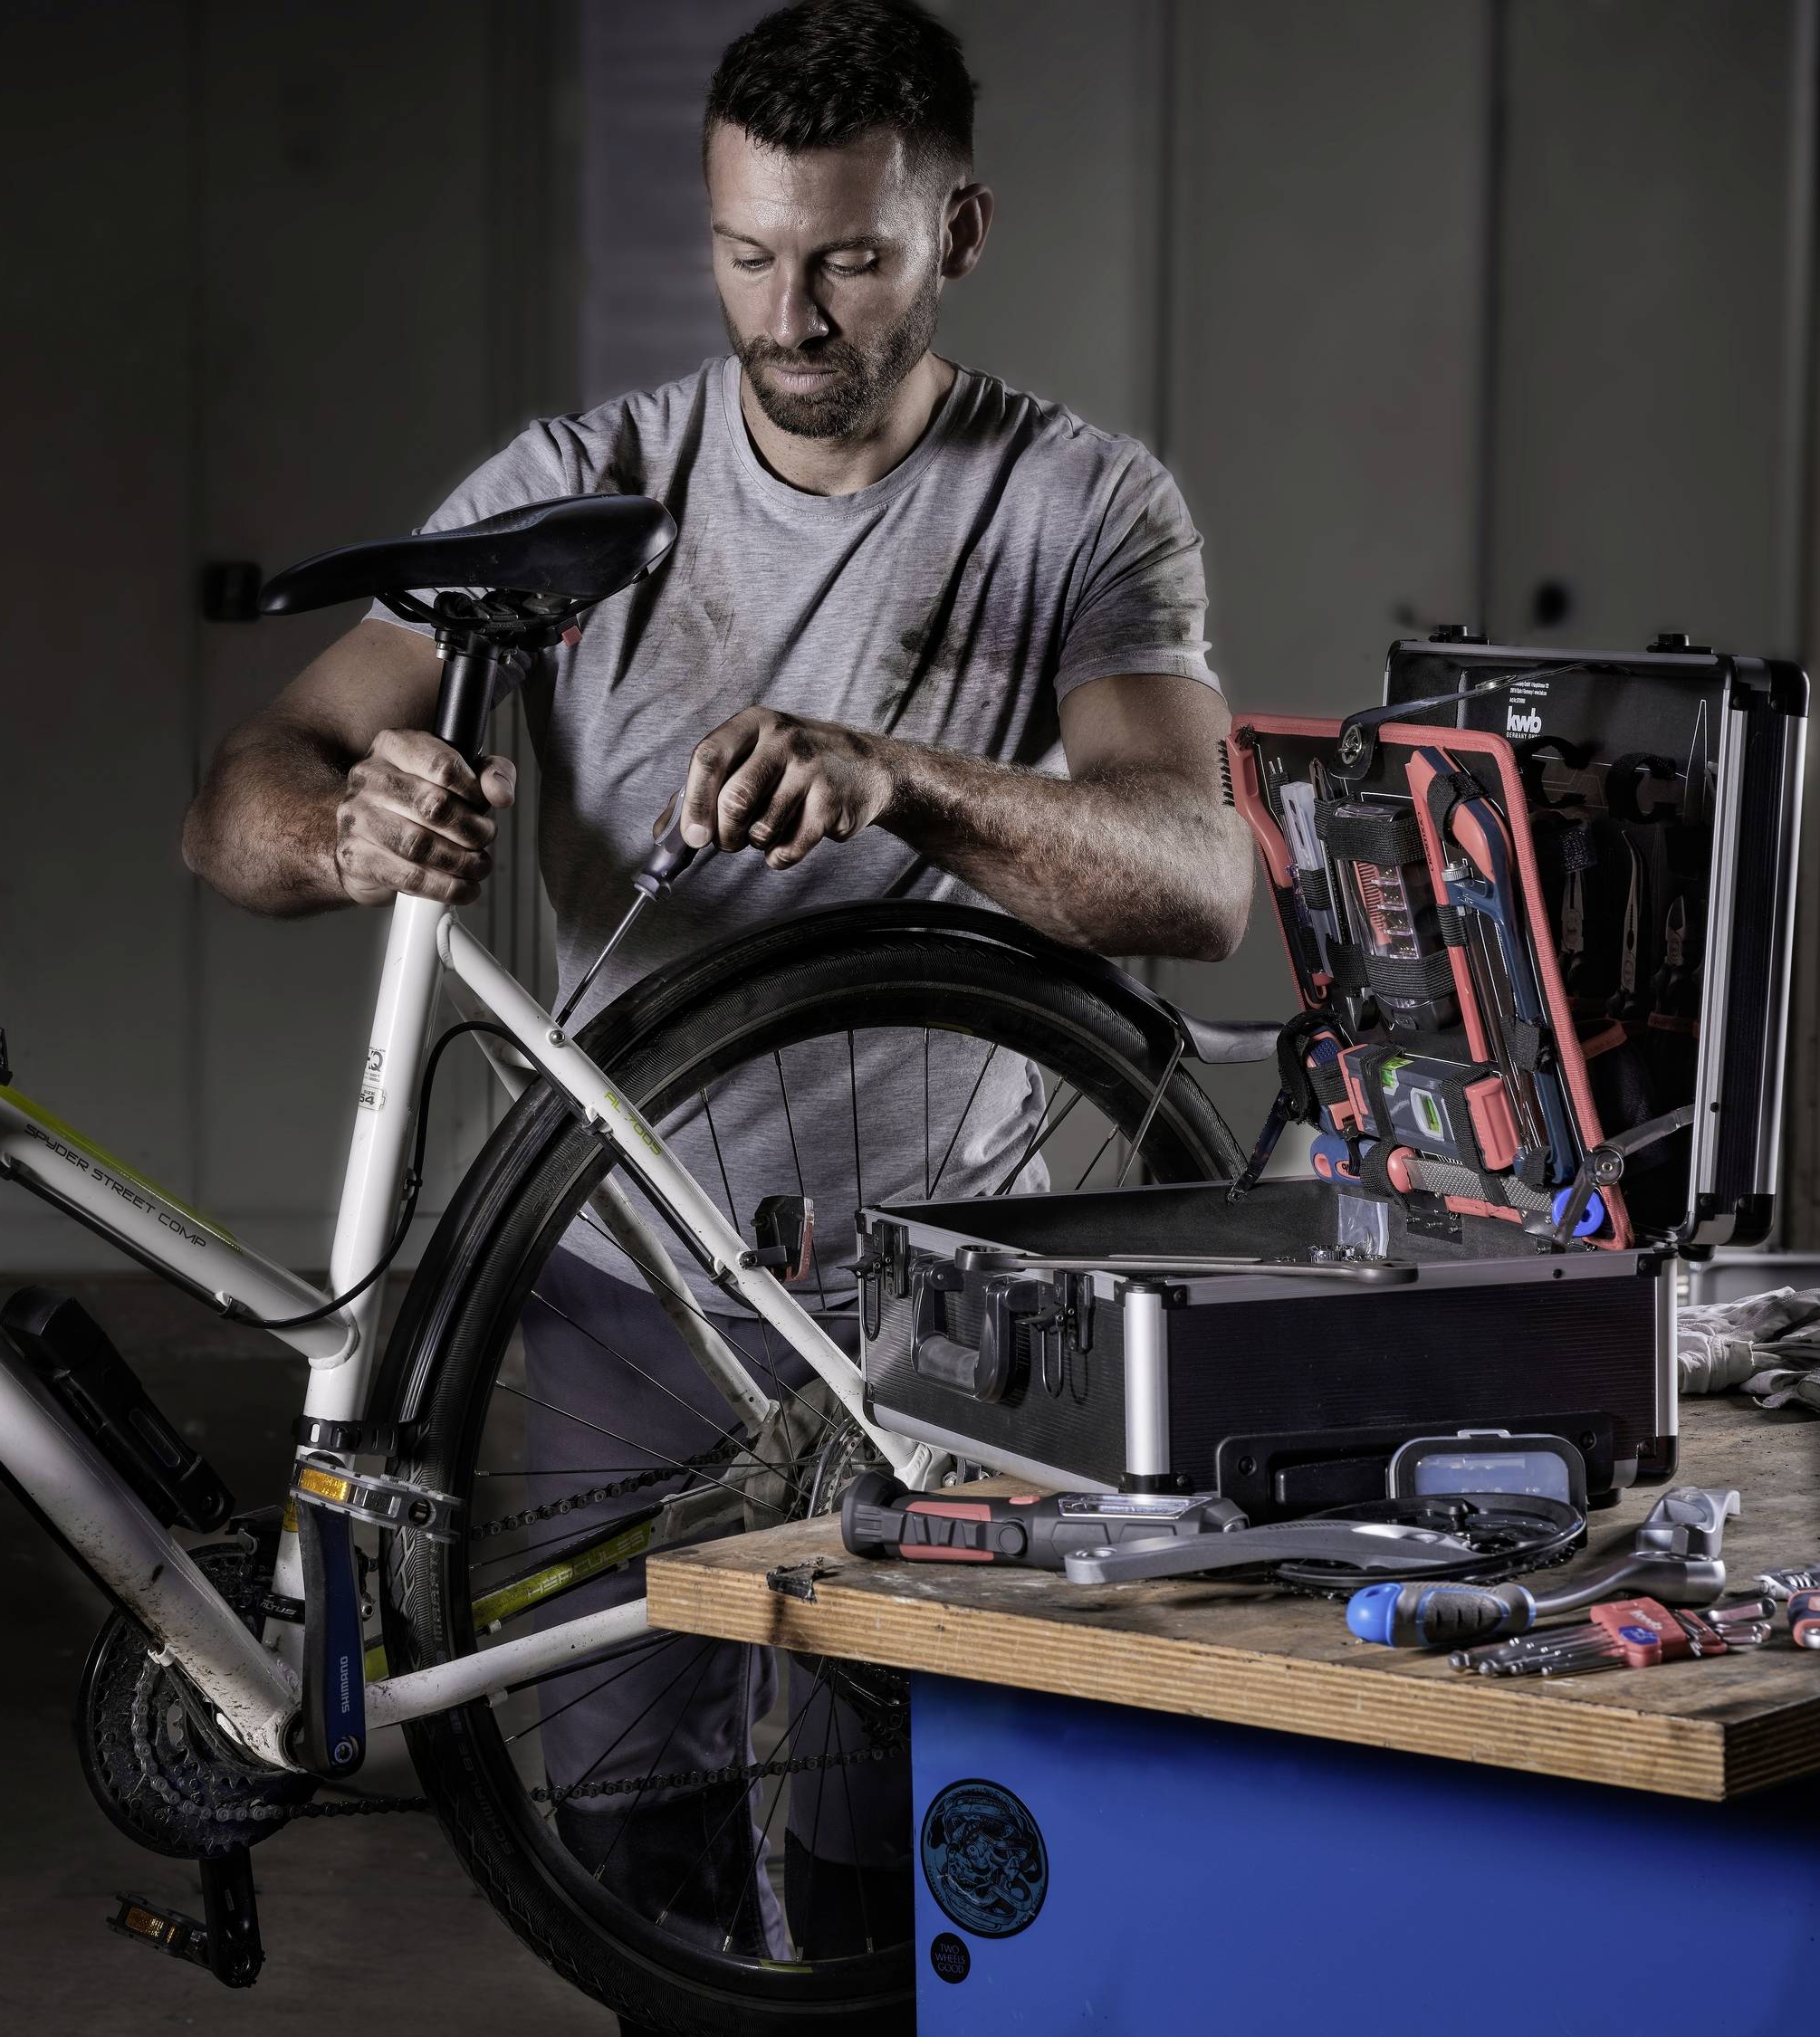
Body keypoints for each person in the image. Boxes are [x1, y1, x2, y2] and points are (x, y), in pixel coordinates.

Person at [184, 0, 1249, 1965]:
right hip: (621, 1289)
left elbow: (1201, 881)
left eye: (850, 256)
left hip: (936, 1322)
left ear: (962, 233)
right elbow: (243, 795)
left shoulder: (1079, 508)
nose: (794, 316)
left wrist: (897, 773)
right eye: (750, 255)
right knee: (629, 1874)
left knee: (895, 1898)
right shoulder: (583, 491)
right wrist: (344, 832)